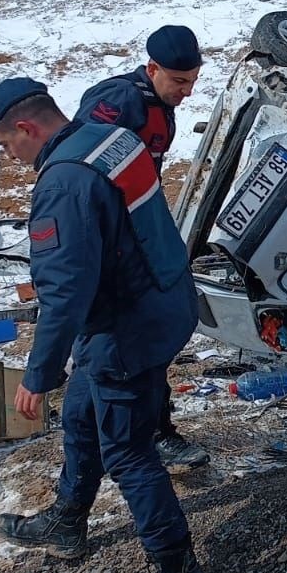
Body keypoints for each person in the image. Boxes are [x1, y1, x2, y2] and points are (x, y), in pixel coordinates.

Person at [0, 78, 210, 573]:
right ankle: (67, 520)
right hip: (163, 303)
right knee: (82, 414)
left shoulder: (63, 183)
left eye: (6, 145)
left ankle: (178, 571)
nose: (9, 158)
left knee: (128, 451)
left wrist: (38, 375)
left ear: (27, 128)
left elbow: (63, 295)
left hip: (125, 331)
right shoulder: (113, 138)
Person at [76, 25, 207, 470]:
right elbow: (86, 172)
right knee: (122, 340)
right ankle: (138, 433)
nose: (187, 92)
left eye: (192, 81)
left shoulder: (158, 103)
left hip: (135, 234)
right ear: (152, 68)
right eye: (179, 81)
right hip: (110, 243)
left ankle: (137, 426)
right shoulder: (118, 102)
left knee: (141, 337)